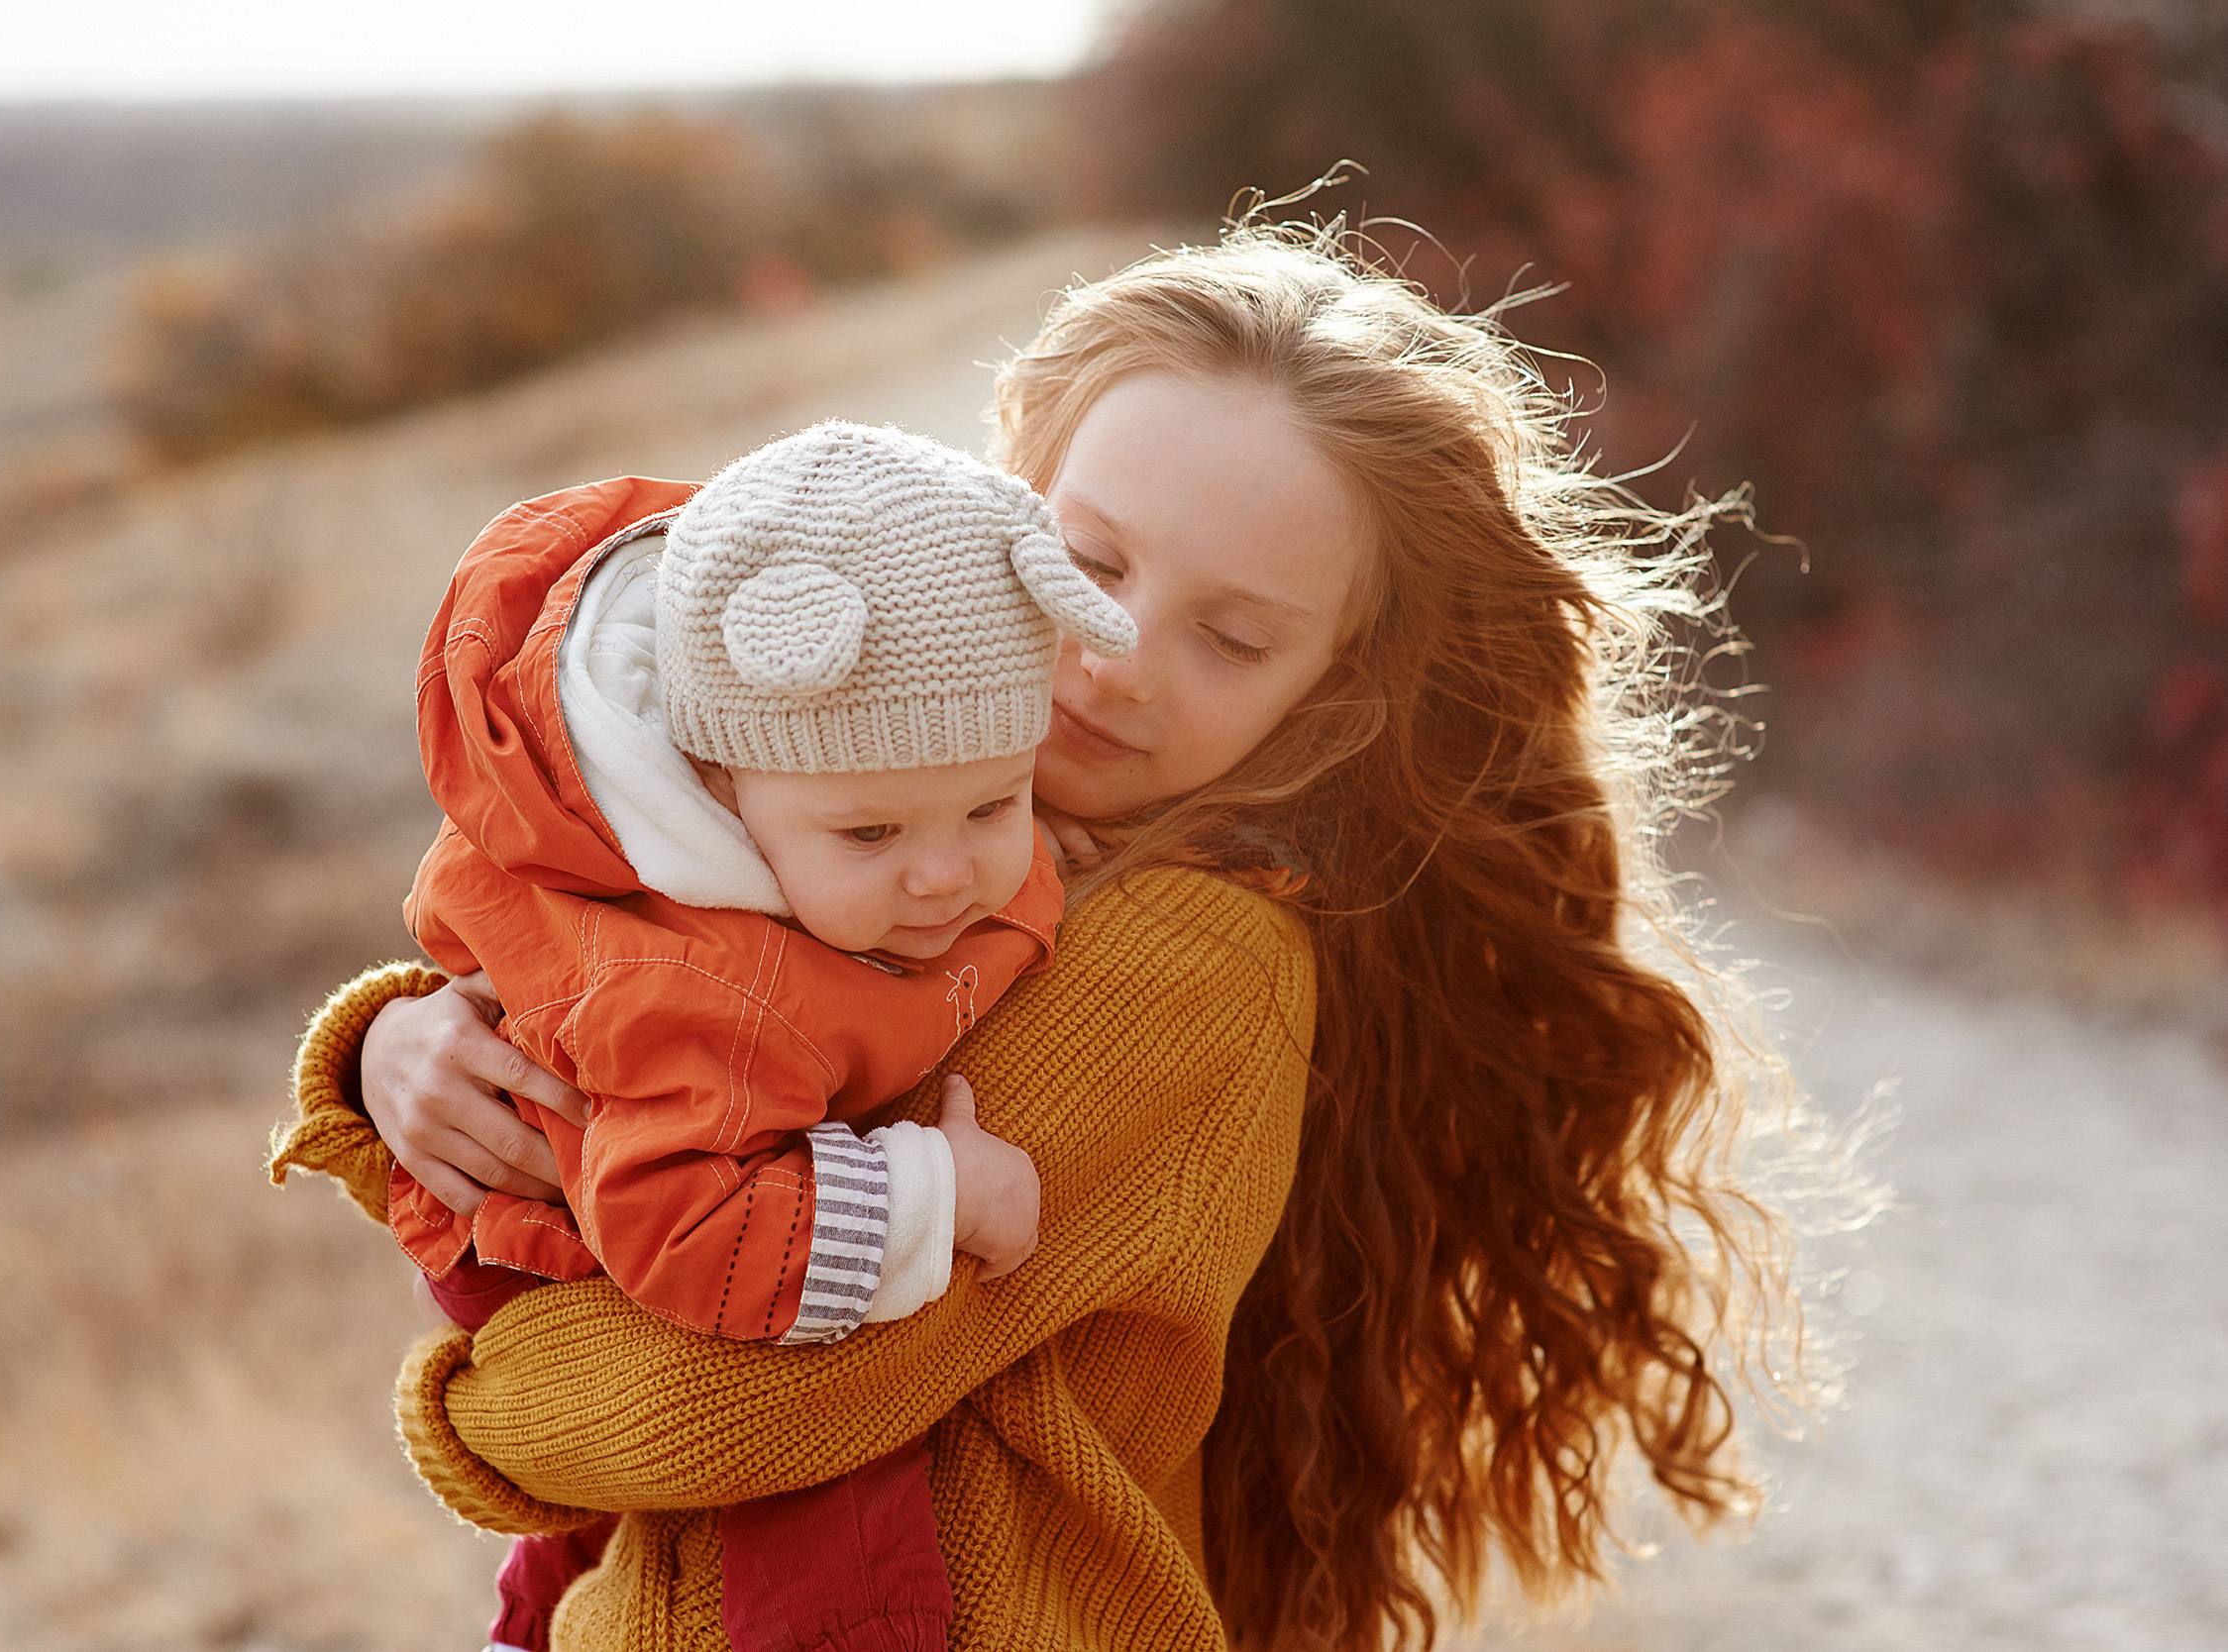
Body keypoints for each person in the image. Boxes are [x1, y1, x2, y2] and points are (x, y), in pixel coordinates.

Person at [270, 226, 1821, 1651]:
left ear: (1329, 697)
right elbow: (641, 979)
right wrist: (399, 1045)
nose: (1117, 661)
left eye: (1231, 637)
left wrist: (472, 1401)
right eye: (1089, 563)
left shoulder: (1184, 960)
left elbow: (732, 1398)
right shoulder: (908, 822)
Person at [374, 419, 1136, 1652]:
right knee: (830, 1509)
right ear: (719, 791)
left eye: (996, 803)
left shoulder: (865, 837)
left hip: (681, 1167)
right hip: (574, 1229)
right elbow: (685, 1228)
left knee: (598, 1546)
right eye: (871, 837)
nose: (947, 876)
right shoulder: (701, 990)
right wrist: (932, 1198)